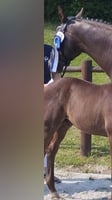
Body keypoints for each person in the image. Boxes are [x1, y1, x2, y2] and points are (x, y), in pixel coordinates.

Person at [44, 44, 61, 183]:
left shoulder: (50, 51)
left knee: (47, 134)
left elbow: (55, 75)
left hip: (47, 98)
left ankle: (46, 171)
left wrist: (59, 89)